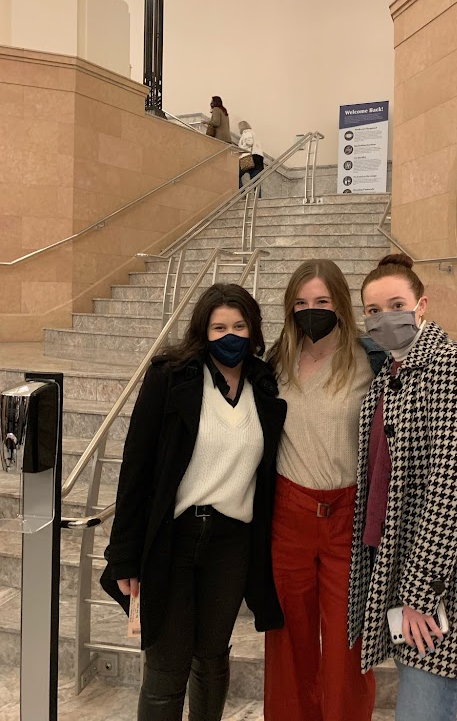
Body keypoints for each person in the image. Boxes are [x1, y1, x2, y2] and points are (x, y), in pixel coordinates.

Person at [347, 254, 457, 721]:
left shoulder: (453, 366)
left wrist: (419, 592)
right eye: (372, 310)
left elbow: (455, 487)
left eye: (396, 304)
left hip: (445, 581)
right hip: (406, 570)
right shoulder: (390, 377)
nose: (384, 318)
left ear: (421, 305)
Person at [100, 283, 286, 721]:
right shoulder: (171, 375)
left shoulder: (263, 382)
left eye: (239, 325)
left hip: (232, 543)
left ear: (254, 329)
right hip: (174, 540)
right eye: (218, 326)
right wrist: (124, 557)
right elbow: (137, 467)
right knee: (167, 664)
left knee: (212, 656)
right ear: (202, 331)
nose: (230, 335)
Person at [264, 259, 384, 721]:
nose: (310, 310)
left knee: (346, 643)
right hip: (289, 512)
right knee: (289, 639)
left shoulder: (368, 360)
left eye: (321, 302)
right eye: (300, 302)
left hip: (348, 515)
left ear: (340, 303)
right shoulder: (276, 362)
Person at [238, 120, 265, 192]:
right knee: (256, 181)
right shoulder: (254, 134)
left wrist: (240, 149)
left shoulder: (246, 132)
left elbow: (249, 142)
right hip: (258, 157)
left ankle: (242, 192)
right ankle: (258, 199)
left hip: (249, 157)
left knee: (236, 175)